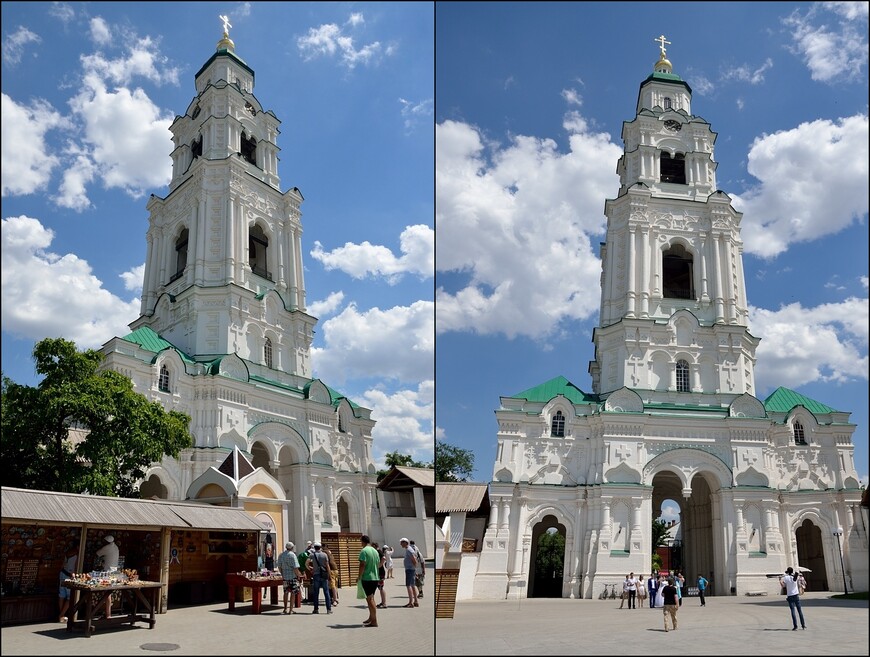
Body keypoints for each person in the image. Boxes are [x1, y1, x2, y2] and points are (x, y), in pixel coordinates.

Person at [358, 534, 381, 627]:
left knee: (370, 599)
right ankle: (371, 617)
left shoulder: (364, 551)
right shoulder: (375, 551)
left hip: (367, 578)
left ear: (363, 541)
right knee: (371, 598)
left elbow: (362, 564)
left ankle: (374, 621)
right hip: (375, 577)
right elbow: (378, 563)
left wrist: (359, 576)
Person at [96, 535, 120, 618]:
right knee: (108, 592)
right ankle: (107, 612)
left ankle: (107, 613)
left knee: (107, 592)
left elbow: (97, 553)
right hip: (114, 572)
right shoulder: (116, 547)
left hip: (108, 572)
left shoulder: (107, 547)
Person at [306, 542, 332, 614]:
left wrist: (310, 569)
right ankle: (328, 609)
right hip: (324, 574)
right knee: (326, 592)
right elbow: (327, 566)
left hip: (316, 574)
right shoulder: (324, 555)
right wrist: (329, 575)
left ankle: (316, 609)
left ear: (314, 547)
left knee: (316, 592)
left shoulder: (312, 555)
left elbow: (306, 563)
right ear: (320, 547)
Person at [276, 542, 302, 614]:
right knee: (293, 593)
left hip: (285, 577)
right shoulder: (292, 555)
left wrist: (282, 574)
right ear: (292, 547)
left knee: (286, 592)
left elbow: (279, 566)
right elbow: (295, 568)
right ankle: (291, 609)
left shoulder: (281, 555)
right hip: (292, 577)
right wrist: (298, 575)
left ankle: (285, 608)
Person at [58, 549, 78, 623]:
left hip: (62, 574)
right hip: (70, 575)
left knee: (61, 595)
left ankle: (61, 614)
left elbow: (62, 565)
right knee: (70, 597)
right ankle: (62, 614)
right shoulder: (77, 555)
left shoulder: (67, 553)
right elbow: (76, 567)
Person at [400, 537, 418, 607]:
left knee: (408, 585)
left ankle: (411, 602)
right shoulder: (409, 549)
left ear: (405, 543)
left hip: (409, 570)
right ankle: (415, 601)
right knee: (412, 585)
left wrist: (414, 568)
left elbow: (414, 560)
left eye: (402, 542)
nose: (400, 544)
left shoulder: (409, 550)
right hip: (411, 569)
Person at [372, 541, 387, 608]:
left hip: (380, 573)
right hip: (379, 573)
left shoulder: (378, 551)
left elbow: (384, 558)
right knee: (380, 587)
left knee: (380, 587)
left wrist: (379, 565)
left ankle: (384, 603)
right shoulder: (377, 551)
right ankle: (383, 602)